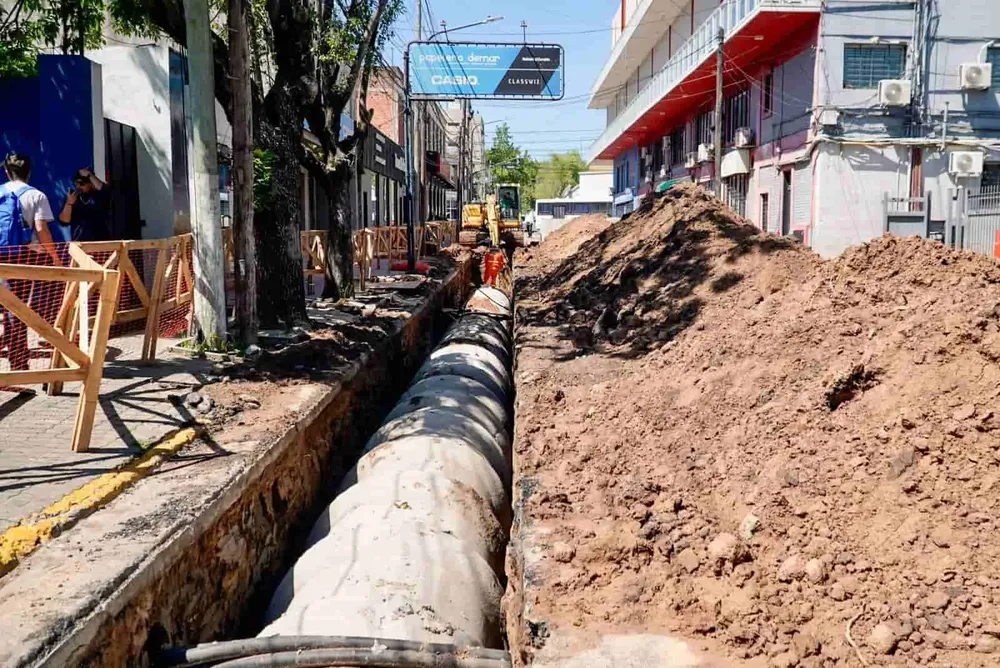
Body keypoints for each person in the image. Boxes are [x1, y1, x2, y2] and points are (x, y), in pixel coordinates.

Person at [0, 152, 61, 370]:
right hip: (22, 257)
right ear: (29, 172)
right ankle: (18, 363)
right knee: (17, 308)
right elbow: (41, 229)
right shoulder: (36, 195)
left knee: (7, 307)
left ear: (7, 171)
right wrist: (55, 258)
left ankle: (12, 351)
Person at [59, 168, 111, 242]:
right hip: (80, 243)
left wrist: (89, 175)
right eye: (76, 183)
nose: (78, 186)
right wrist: (69, 204)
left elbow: (104, 189)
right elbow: (64, 221)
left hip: (100, 242)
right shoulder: (73, 197)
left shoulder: (99, 195)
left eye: (82, 183)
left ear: (91, 183)